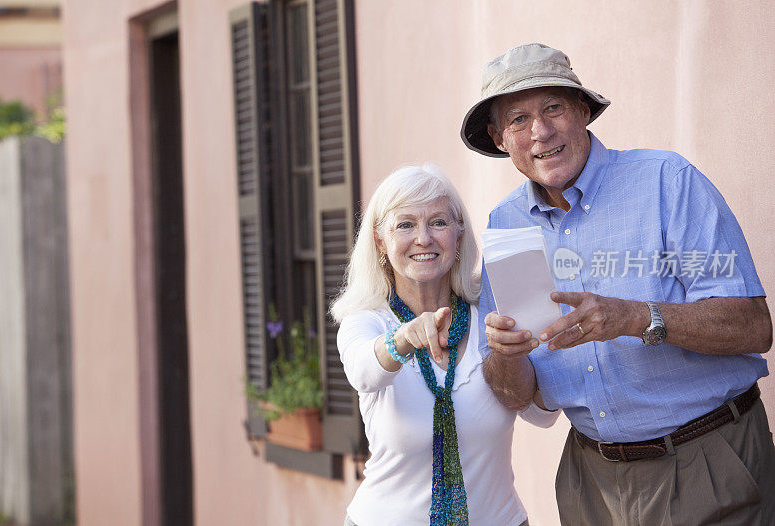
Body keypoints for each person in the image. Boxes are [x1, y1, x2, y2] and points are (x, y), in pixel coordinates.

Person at [460, 43, 775, 525]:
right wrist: (506, 353)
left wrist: (634, 316)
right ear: (499, 137)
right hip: (591, 484)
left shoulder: (667, 180)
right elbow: (517, 395)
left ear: (583, 110)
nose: (540, 132)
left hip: (708, 460)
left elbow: (754, 327)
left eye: (553, 108)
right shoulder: (506, 226)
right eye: (518, 119)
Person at [330, 164, 558, 526]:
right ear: (380, 242)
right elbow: (364, 372)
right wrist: (405, 337)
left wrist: (536, 349)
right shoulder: (367, 319)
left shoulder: (493, 314)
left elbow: (542, 415)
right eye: (405, 225)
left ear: (459, 234)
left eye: (438, 222)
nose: (423, 238)